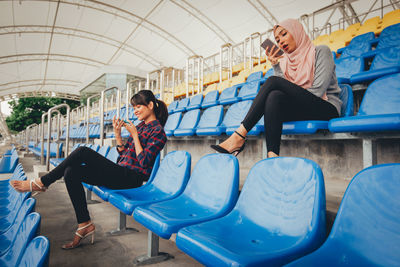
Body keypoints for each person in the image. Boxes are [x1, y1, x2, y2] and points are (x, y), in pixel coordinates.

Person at [11, 90, 168, 249]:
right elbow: (123, 152)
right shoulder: (140, 127)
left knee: (82, 152)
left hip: (132, 178)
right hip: (120, 172)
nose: (135, 111)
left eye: (139, 106)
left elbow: (144, 162)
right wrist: (118, 134)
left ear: (150, 105)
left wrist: (134, 136)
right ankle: (84, 223)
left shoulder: (158, 132)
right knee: (71, 172)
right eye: (134, 107)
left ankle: (42, 182)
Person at [211, 19, 342, 158]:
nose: (281, 42)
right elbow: (286, 90)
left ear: (296, 32)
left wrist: (281, 81)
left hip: (325, 107)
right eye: (277, 40)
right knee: (274, 96)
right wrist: (276, 66)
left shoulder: (321, 51)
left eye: (284, 34)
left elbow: (317, 91)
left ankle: (239, 135)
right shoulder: (287, 61)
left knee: (273, 82)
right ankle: (272, 156)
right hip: (304, 107)